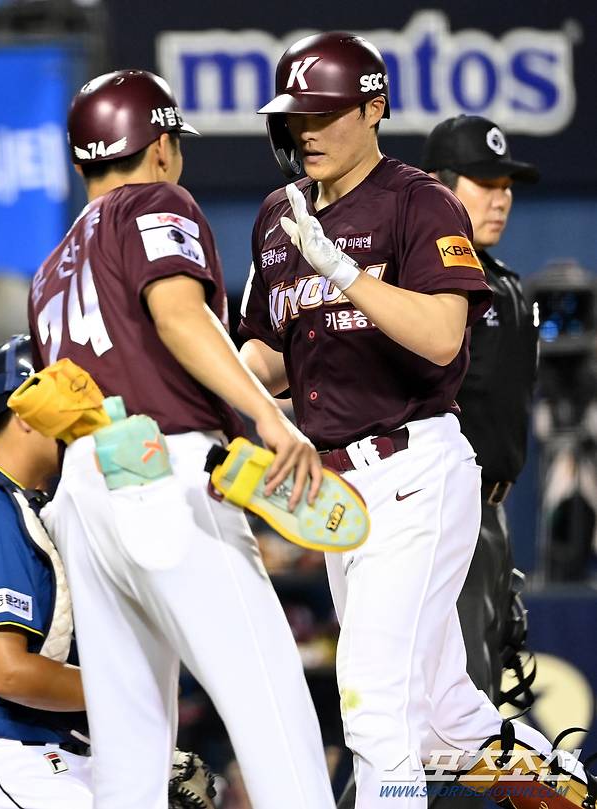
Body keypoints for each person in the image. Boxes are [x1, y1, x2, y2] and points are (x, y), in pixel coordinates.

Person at [238, 32, 589, 809]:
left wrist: (341, 271)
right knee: (447, 721)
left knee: (371, 698)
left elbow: (440, 335)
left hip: (412, 470)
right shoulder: (277, 215)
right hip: (336, 492)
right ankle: (572, 793)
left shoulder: (417, 200)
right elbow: (268, 347)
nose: (306, 131)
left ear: (373, 107)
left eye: (325, 113)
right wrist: (212, 373)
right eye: (296, 116)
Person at [26, 70, 336, 809]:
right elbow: (177, 314)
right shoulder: (155, 201)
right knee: (272, 707)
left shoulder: (47, 268)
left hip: (87, 491)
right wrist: (268, 414)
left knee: (130, 751)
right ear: (160, 145)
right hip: (162, 475)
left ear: (81, 164)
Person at [0, 335, 92, 809]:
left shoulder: (24, 504)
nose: (83, 427)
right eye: (70, 411)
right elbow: (5, 673)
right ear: (26, 414)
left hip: (43, 752)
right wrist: (128, 689)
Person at [421, 114, 539, 706]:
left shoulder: (503, 283)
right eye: (484, 182)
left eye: (507, 184)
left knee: (473, 704)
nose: (501, 197)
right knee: (454, 720)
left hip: (491, 515)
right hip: (443, 511)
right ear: (441, 186)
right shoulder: (420, 284)